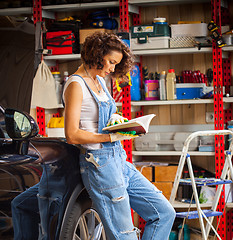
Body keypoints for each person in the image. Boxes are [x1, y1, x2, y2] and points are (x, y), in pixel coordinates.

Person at [63, 31, 176, 240]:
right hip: (99, 165)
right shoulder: (76, 85)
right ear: (97, 54)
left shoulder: (100, 82)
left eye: (116, 64)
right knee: (125, 236)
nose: (113, 68)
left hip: (119, 159)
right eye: (111, 62)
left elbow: (99, 118)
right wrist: (109, 138)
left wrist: (117, 120)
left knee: (164, 213)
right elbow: (72, 134)